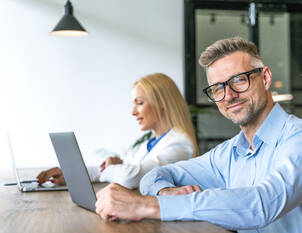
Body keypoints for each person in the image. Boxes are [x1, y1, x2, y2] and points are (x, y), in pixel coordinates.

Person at [94, 37, 302, 233]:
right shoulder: (226, 155)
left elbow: (261, 205)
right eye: (217, 88)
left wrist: (148, 206)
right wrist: (164, 192)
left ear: (266, 78)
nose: (229, 95)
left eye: (239, 79)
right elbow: (155, 175)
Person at [37, 73, 199, 189]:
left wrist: (114, 167)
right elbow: (120, 172)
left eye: (140, 103)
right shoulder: (148, 145)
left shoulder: (180, 145)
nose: (133, 112)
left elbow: (131, 177)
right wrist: (70, 174)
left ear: (162, 103)